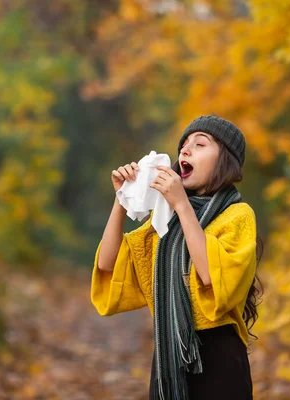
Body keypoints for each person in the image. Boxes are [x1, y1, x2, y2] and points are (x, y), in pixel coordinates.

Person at [90, 115, 264, 400]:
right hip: (167, 358)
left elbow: (212, 276)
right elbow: (107, 264)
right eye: (183, 145)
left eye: (200, 144)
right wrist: (122, 199)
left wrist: (181, 204)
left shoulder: (237, 215)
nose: (185, 149)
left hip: (219, 360)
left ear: (225, 161)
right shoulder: (163, 218)